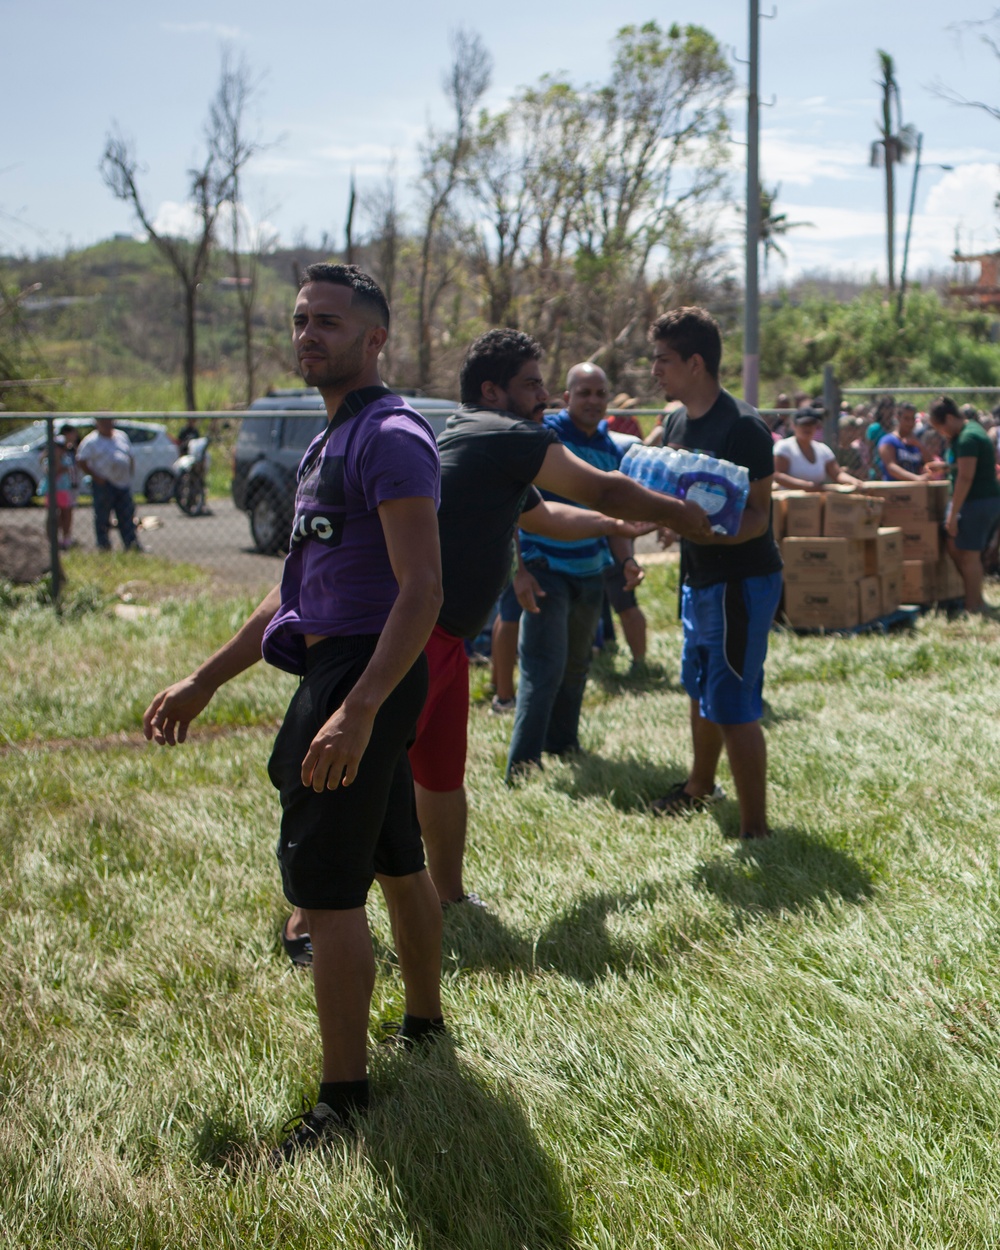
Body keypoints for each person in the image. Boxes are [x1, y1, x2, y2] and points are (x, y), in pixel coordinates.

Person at [143, 264, 447, 1163]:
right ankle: (424, 1026)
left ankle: (343, 1105)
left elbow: (422, 588)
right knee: (396, 855)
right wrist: (206, 679)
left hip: (362, 676)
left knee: (323, 890)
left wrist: (356, 709)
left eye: (330, 323)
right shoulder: (326, 442)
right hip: (344, 672)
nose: (309, 335)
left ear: (375, 337)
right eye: (301, 321)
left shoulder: (390, 436)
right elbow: (291, 592)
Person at [648, 307, 783, 840]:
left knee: (733, 704)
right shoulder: (678, 421)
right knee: (700, 686)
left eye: (663, 359)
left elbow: (758, 519)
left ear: (695, 362)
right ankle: (700, 787)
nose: (654, 370)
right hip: (698, 578)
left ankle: (756, 829)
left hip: (740, 583)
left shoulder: (744, 427)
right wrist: (669, 520)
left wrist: (704, 532)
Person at [506, 363, 646, 777]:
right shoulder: (544, 437)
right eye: (583, 393)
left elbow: (614, 514)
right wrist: (519, 570)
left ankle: (563, 744)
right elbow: (513, 505)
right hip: (544, 567)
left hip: (591, 571)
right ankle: (523, 765)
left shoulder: (613, 448)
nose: (593, 401)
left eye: (600, 393)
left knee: (576, 665)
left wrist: (626, 560)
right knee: (542, 668)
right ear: (566, 398)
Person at [927, 396, 1000, 614]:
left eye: (940, 427)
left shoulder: (968, 438)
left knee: (968, 553)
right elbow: (966, 467)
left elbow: (966, 478)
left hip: (976, 502)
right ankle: (975, 599)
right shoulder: (970, 430)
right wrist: (946, 467)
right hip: (979, 501)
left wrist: (952, 515)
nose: (941, 432)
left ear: (949, 418)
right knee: (956, 547)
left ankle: (973, 606)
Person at [77, 417, 143, 552]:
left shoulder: (121, 436)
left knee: (127, 514)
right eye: (104, 422)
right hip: (104, 484)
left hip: (123, 484)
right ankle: (104, 545)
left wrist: (129, 474)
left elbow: (130, 456)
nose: (108, 425)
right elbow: (81, 460)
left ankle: (131, 544)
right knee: (102, 516)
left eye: (110, 421)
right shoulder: (91, 441)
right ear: (98, 424)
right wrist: (96, 476)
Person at [773, 410, 862, 490]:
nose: (808, 428)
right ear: (794, 426)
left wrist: (853, 481)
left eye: (811, 424)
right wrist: (806, 486)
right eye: (804, 424)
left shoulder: (822, 449)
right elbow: (777, 475)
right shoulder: (784, 447)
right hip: (789, 504)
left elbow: (837, 474)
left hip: (816, 502)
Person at [41, 423, 81, 550]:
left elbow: (71, 469)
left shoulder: (67, 458)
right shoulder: (49, 461)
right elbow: (54, 471)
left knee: (66, 514)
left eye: (62, 447)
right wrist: (56, 458)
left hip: (65, 490)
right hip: (52, 491)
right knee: (53, 515)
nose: (60, 449)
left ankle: (66, 539)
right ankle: (51, 540)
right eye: (57, 447)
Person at [877, 401, 933, 482]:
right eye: (906, 418)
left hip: (915, 490)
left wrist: (919, 445)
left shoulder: (916, 442)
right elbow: (891, 467)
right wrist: (916, 478)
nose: (910, 423)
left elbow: (931, 464)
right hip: (895, 490)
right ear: (898, 418)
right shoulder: (888, 441)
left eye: (912, 418)